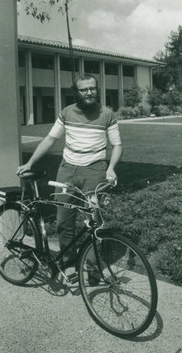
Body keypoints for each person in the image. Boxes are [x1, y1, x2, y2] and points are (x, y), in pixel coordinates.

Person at [17, 73, 122, 266]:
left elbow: (117, 146)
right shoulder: (67, 113)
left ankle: (91, 267)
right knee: (64, 222)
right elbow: (50, 139)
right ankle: (68, 260)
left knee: (95, 222)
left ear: (97, 89)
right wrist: (30, 162)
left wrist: (112, 169)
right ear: (76, 92)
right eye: (84, 89)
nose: (89, 92)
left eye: (92, 88)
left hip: (95, 172)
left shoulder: (107, 114)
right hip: (67, 172)